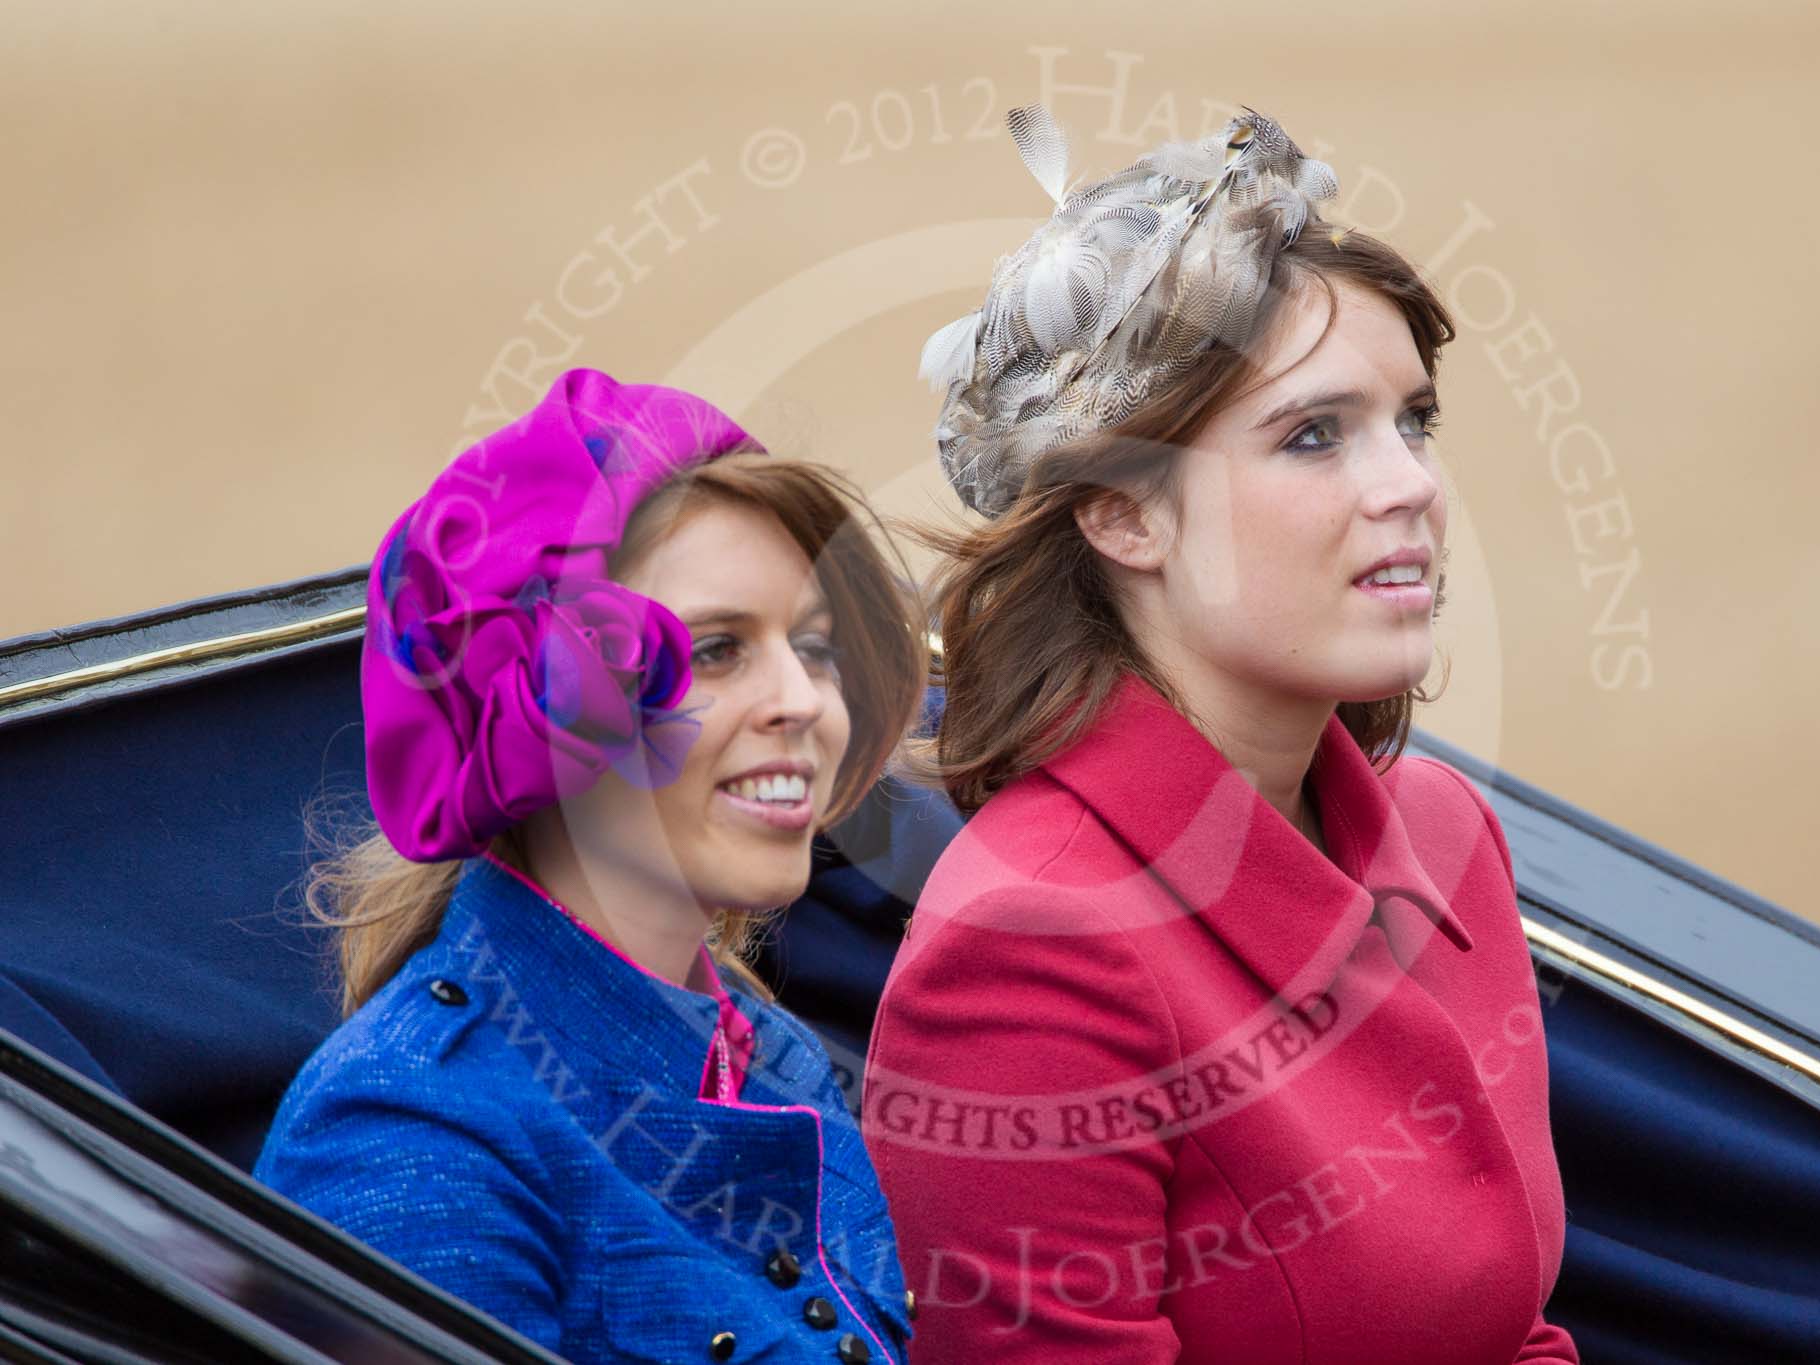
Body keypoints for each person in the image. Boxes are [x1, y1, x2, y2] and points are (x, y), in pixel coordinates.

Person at [861, 107, 1580, 1363]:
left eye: (1411, 420)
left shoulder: (1444, 836)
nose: (1407, 483)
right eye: (1313, 434)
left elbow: (1511, 1333)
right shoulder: (1031, 943)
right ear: (1121, 518)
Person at [256, 368, 925, 1363]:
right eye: (714, 652)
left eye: (815, 647)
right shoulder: (410, 1135)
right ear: (539, 714)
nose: (804, 700)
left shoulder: (767, 1057)